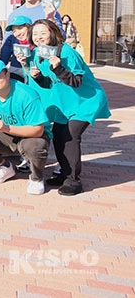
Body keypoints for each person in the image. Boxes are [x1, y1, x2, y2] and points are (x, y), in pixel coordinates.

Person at [24, 19, 110, 196]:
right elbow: (48, 84)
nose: (39, 37)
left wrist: (58, 67)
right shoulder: (37, 55)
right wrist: (37, 76)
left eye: (43, 33)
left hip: (85, 101)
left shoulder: (66, 52)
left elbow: (76, 81)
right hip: (65, 105)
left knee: (70, 136)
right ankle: (64, 174)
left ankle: (73, 181)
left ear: (53, 33)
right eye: (35, 34)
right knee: (58, 135)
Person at [0, 59, 50, 195]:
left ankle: (37, 178)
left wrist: (7, 128)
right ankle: (3, 167)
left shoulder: (27, 94)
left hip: (29, 136)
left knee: (35, 147)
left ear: (7, 74)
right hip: (4, 135)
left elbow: (38, 130)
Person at [0, 15, 33, 82]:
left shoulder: (37, 40)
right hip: (16, 71)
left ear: (29, 27)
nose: (17, 33)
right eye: (14, 31)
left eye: (20, 28)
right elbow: (4, 57)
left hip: (34, 71)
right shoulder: (12, 39)